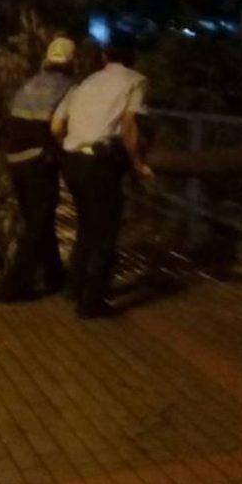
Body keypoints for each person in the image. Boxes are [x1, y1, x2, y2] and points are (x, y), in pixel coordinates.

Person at [51, 34, 153, 318]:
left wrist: (71, 147)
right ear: (133, 59)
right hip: (99, 164)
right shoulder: (135, 81)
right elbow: (129, 126)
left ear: (105, 58)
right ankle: (92, 302)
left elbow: (56, 127)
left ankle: (75, 287)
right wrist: (137, 163)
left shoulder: (85, 83)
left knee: (86, 226)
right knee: (105, 233)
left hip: (72, 161)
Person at [0, 37, 76, 301]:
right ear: (71, 62)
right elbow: (60, 128)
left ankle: (55, 275)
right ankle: (14, 286)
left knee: (38, 222)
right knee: (37, 224)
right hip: (38, 160)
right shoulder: (67, 88)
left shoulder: (30, 83)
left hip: (14, 159)